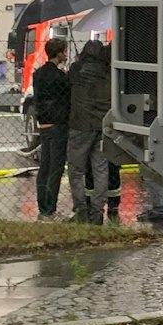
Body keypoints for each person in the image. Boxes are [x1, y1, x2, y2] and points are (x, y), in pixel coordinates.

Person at [65, 40, 117, 225]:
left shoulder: (76, 69)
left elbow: (68, 81)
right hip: (102, 125)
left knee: (76, 170)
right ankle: (97, 212)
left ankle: (80, 210)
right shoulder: (110, 72)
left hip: (80, 124)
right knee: (100, 169)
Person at [32, 38, 72, 219]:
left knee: (44, 167)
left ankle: (42, 207)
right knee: (56, 168)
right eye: (65, 51)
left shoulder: (38, 74)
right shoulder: (61, 78)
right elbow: (67, 98)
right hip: (58, 126)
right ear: (59, 53)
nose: (66, 54)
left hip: (44, 124)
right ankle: (50, 208)